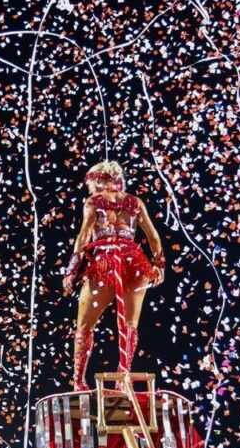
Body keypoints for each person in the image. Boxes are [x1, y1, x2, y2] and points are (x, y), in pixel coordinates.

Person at [62, 161, 164, 390]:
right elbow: (153, 237)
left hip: (106, 263)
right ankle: (123, 377)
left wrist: (72, 269)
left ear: (98, 180)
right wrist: (159, 264)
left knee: (85, 324)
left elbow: (84, 236)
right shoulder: (134, 203)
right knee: (130, 325)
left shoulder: (94, 202)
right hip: (134, 263)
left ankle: (79, 380)